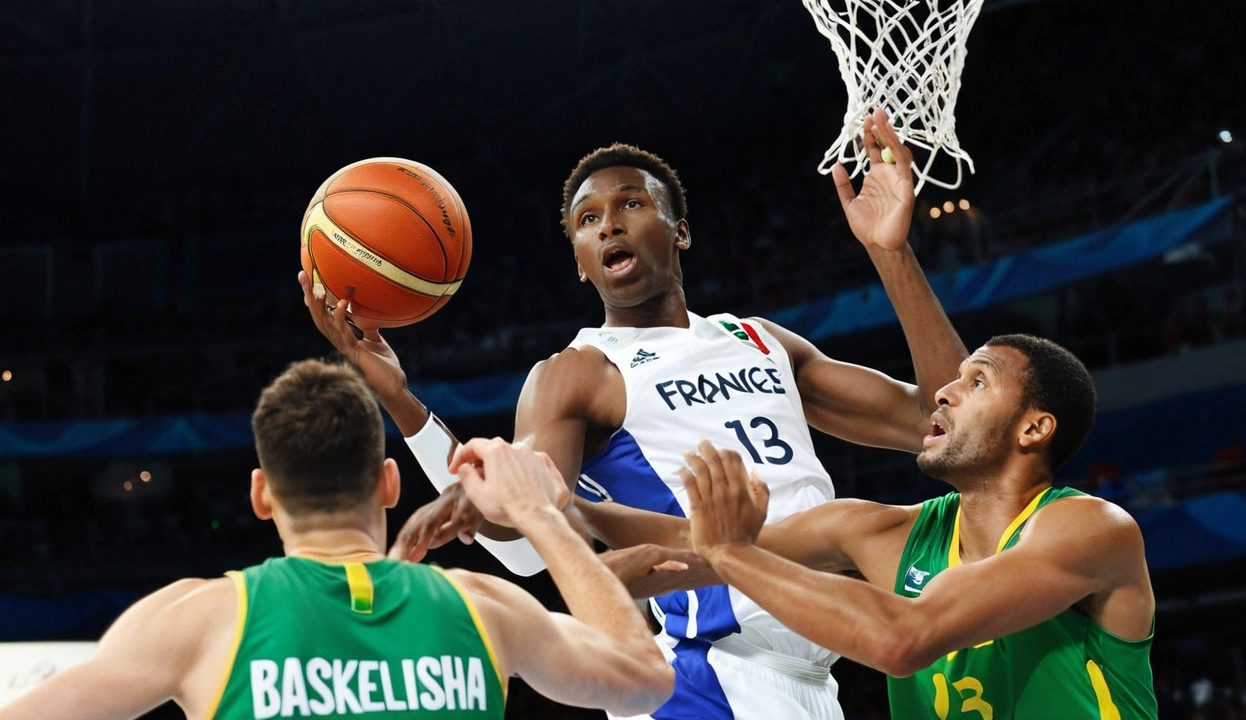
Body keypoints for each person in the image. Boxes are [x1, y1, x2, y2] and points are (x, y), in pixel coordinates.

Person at [303, 109, 968, 719]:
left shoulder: (761, 340)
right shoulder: (576, 374)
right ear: (581, 263)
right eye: (587, 219)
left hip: (817, 673)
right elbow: (531, 542)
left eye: (630, 204)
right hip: (707, 676)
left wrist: (891, 252)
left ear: (679, 230)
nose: (609, 224)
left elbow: (948, 425)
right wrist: (400, 399)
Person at [0, 360, 672, 719]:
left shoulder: (192, 621)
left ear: (262, 494)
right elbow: (645, 680)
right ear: (388, 483)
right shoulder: (482, 607)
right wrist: (539, 513)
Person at [606, 335, 1159, 719]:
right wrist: (560, 516)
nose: (944, 392)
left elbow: (903, 639)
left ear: (1034, 428)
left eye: (978, 382)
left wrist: (729, 555)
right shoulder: (880, 532)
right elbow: (688, 550)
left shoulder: (1091, 529)